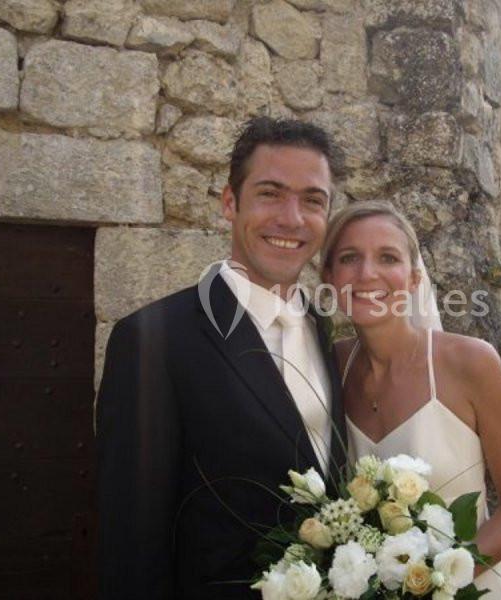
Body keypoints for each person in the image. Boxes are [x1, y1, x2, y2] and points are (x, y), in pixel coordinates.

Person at [95, 117, 348, 599]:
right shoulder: (152, 341)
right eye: (270, 193)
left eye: (313, 200)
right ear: (229, 203)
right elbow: (131, 541)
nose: (292, 218)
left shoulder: (321, 327)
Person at [321, 201, 501, 599]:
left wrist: (437, 584)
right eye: (350, 258)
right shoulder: (332, 366)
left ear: (414, 277)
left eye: (388, 257)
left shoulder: (470, 362)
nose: (367, 273)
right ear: (329, 276)